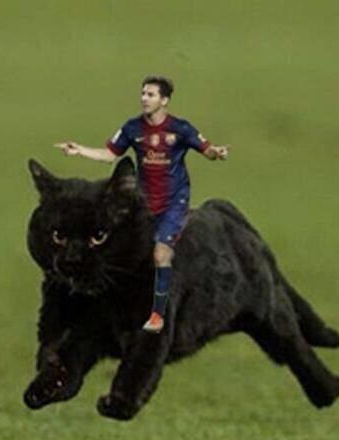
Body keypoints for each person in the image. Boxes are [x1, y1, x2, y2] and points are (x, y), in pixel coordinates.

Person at [55, 76, 230, 333]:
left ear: (164, 100)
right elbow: (110, 155)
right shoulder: (132, 128)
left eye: (150, 95)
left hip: (173, 201)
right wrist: (80, 150)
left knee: (160, 254)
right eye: (143, 94)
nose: (144, 99)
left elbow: (206, 149)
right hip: (144, 201)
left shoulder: (180, 129)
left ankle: (158, 315)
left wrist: (217, 152)